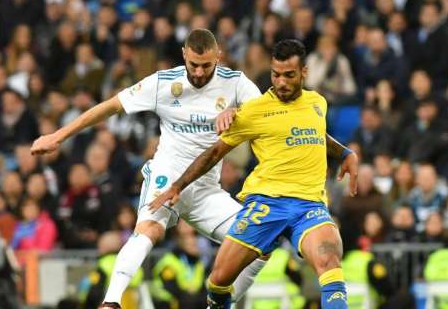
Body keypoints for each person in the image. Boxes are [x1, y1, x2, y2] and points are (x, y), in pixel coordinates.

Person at [30, 29, 267, 308]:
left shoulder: (235, 83)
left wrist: (238, 113)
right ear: (184, 56)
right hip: (166, 179)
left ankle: (218, 305)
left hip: (205, 190)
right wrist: (58, 136)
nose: (200, 73)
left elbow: (268, 115)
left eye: (207, 65)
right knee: (149, 230)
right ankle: (111, 302)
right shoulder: (163, 83)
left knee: (259, 242)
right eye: (194, 65)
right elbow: (110, 106)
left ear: (218, 57)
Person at [149, 39, 359, 309]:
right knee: (218, 280)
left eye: (289, 75)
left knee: (330, 262)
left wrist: (344, 153)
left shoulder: (317, 103)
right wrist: (178, 186)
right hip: (265, 204)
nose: (281, 82)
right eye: (276, 74)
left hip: (309, 206)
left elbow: (317, 132)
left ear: (303, 73)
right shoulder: (254, 111)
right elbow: (214, 153)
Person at [151, 220, 207, 309]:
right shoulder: (169, 261)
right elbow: (170, 287)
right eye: (191, 245)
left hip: (190, 301)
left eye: (195, 244)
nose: (195, 247)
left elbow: (203, 288)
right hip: (168, 304)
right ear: (182, 244)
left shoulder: (197, 263)